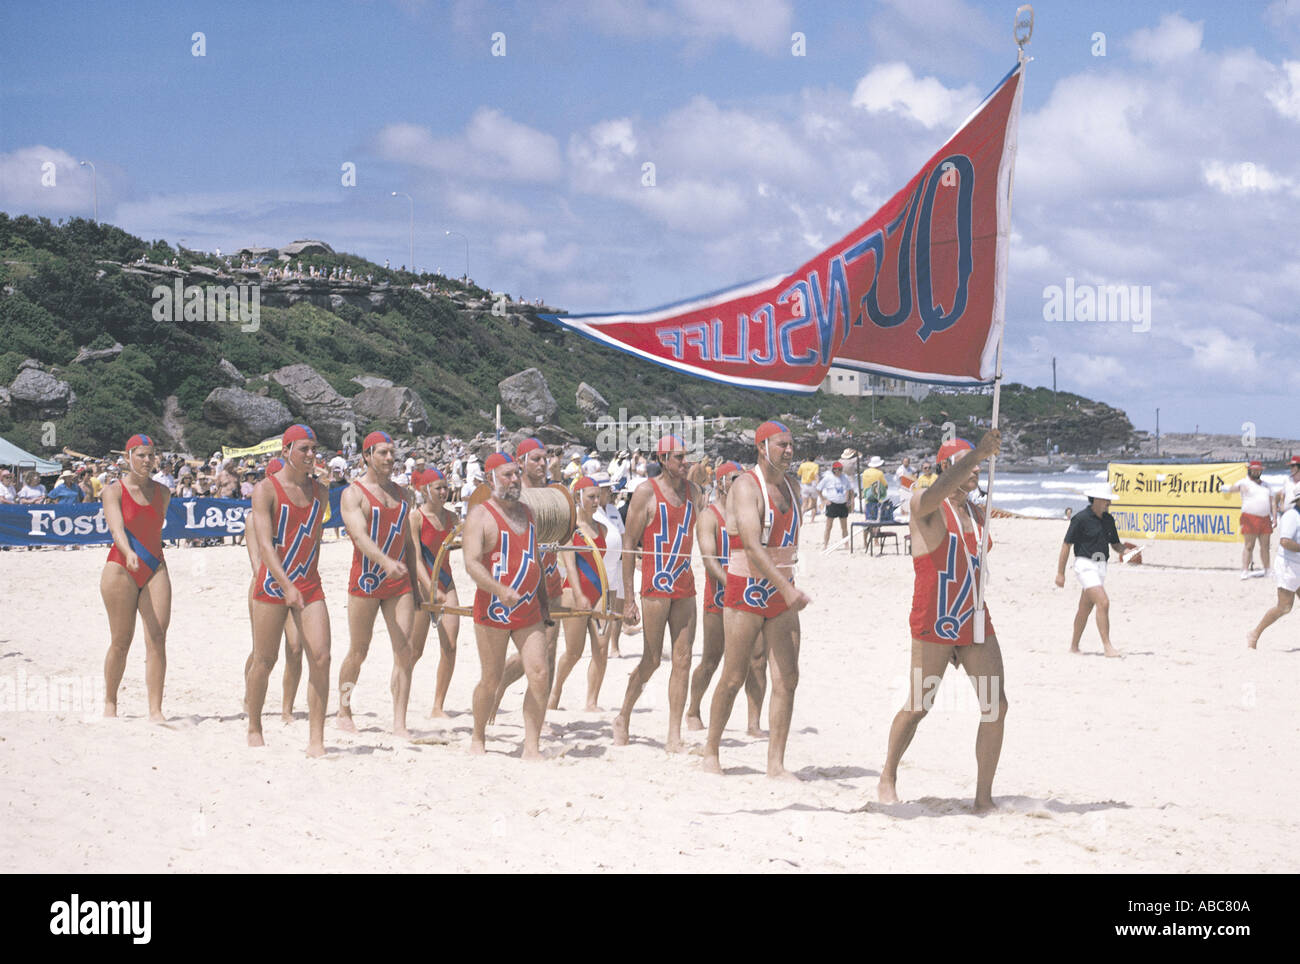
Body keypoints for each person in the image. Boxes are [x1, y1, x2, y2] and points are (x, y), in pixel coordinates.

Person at [878, 432, 1008, 812]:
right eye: (967, 463)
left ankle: (983, 797)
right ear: (946, 469)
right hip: (935, 617)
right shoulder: (926, 504)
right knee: (919, 705)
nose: (977, 470)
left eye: (979, 464)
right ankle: (888, 773)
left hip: (973, 617)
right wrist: (976, 453)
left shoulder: (976, 513)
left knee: (995, 706)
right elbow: (935, 494)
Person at [703, 426, 809, 777]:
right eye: (783, 444)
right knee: (733, 676)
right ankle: (711, 751)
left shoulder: (793, 488)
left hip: (781, 590)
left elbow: (787, 543)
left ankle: (775, 763)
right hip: (747, 588)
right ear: (763, 447)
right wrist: (788, 588)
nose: (789, 450)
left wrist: (788, 585)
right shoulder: (746, 486)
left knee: (787, 680)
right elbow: (751, 545)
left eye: (792, 444)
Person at [613, 434, 703, 752]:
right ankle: (623, 715)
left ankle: (674, 734)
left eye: (686, 456)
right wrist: (628, 598)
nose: (685, 462)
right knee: (651, 660)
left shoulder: (695, 492)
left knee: (682, 660)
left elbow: (709, 531)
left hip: (684, 583)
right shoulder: (645, 492)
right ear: (663, 459)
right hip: (654, 584)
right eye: (678, 457)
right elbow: (628, 545)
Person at [245, 426, 332, 756]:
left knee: (321, 657)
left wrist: (307, 582)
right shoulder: (265, 489)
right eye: (304, 449)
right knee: (265, 658)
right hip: (272, 583)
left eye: (314, 449)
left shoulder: (320, 491)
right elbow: (265, 545)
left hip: (309, 583)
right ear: (286, 451)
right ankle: (254, 724)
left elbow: (316, 540)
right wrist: (285, 585)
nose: (311, 455)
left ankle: (316, 738)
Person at [337, 431, 423, 738]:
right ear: (367, 456)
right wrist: (386, 562)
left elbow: (410, 545)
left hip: (399, 584)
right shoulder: (353, 494)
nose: (389, 458)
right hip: (367, 580)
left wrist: (416, 582)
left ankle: (399, 722)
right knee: (358, 651)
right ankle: (344, 708)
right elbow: (359, 537)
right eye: (383, 453)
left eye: (392, 452)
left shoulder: (404, 495)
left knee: (405, 651)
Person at [464, 453, 550, 760]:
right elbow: (471, 563)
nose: (514, 480)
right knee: (491, 678)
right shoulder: (479, 516)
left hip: (529, 611)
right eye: (506, 475)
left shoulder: (528, 513)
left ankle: (531, 746)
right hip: (492, 610)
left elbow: (535, 559)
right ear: (491, 479)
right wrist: (499, 589)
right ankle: (477, 735)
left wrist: (544, 603)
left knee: (539, 673)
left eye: (516, 474)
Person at [687, 460, 769, 738]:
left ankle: (754, 722)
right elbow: (709, 560)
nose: (740, 483)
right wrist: (732, 583)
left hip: (749, 594)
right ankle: (693, 709)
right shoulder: (710, 516)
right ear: (721, 482)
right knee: (711, 659)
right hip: (720, 595)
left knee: (758, 658)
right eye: (734, 478)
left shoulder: (749, 512)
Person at [495, 437, 569, 714]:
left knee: (549, 650)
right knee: (531, 649)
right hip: (521, 581)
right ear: (521, 461)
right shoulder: (516, 494)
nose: (542, 463)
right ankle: (498, 683)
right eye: (536, 459)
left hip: (550, 578)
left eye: (545, 458)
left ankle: (540, 716)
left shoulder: (550, 493)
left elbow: (566, 535)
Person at [100, 434, 171, 721]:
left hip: (155, 565)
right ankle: (110, 700)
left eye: (151, 455)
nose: (147, 460)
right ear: (128, 457)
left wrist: (143, 556)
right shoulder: (112, 491)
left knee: (157, 637)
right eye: (141, 455)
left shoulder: (163, 492)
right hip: (120, 566)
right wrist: (128, 551)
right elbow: (117, 528)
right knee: (121, 640)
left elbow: (156, 529)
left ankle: (155, 709)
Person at [242, 457, 304, 722]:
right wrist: (279, 584)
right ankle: (250, 697)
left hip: (295, 583)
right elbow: (258, 562)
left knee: (296, 647)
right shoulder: (253, 519)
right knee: (263, 652)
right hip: (265, 584)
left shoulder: (296, 510)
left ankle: (287, 707)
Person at [549, 477, 611, 711]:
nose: (596, 501)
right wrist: (578, 594)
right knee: (574, 651)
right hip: (573, 592)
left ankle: (592, 701)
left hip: (599, 591)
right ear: (578, 498)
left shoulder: (602, 528)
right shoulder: (570, 529)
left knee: (602, 648)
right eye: (591, 497)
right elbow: (570, 565)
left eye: (598, 496)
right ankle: (555, 691)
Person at [1054, 484, 1134, 657]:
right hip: (1084, 565)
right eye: (1107, 500)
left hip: (1101, 567)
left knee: (1085, 608)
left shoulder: (1108, 520)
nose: (1110, 503)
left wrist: (1127, 552)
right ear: (1097, 500)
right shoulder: (1080, 519)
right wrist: (1060, 573)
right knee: (1103, 602)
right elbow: (1066, 545)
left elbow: (1115, 544)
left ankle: (1074, 647)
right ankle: (1108, 647)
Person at [407, 466, 461, 718]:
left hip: (447, 584)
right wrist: (429, 588)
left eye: (445, 487)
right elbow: (416, 559)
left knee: (450, 647)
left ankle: (438, 706)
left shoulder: (453, 519)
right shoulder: (415, 518)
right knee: (414, 651)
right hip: (421, 588)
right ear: (425, 490)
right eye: (438, 487)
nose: (443, 491)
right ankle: (401, 697)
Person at [1248, 489, 1300, 649]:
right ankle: (1254, 633)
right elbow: (1285, 542)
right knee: (1284, 606)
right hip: (1288, 566)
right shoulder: (1292, 516)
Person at [593, 472, 627, 657]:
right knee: (600, 606)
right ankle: (600, 644)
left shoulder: (614, 510)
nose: (611, 492)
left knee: (615, 605)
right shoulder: (591, 511)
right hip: (598, 565)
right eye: (607, 489)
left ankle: (614, 645)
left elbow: (622, 534)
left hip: (616, 564)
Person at [1225, 461, 1275, 578]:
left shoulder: (1266, 485)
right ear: (1250, 470)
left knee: (1265, 546)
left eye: (1258, 470)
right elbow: (1231, 489)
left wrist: (1275, 517)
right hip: (1249, 517)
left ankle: (1267, 569)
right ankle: (1245, 570)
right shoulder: (1244, 482)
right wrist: (1237, 487)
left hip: (1265, 518)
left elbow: (1272, 502)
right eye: (1254, 470)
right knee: (1249, 545)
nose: (1256, 472)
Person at [816, 460, 854, 549]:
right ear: (834, 470)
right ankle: (825, 545)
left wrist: (849, 500)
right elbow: (818, 489)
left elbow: (849, 489)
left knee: (844, 527)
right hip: (832, 504)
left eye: (841, 469)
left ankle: (846, 544)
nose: (841, 471)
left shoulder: (845, 477)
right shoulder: (828, 478)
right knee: (829, 526)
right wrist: (823, 500)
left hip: (843, 504)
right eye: (839, 469)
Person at [861, 456, 888, 520]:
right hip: (877, 498)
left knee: (869, 517)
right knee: (877, 518)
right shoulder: (879, 473)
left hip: (867, 497)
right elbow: (885, 486)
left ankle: (869, 529)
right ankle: (876, 529)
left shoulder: (865, 472)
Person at [797, 456, 820, 521]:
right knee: (814, 504)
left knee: (804, 504)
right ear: (814, 459)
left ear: (807, 459)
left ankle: (801, 518)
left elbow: (798, 474)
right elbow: (816, 475)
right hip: (812, 484)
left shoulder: (802, 465)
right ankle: (812, 520)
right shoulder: (815, 465)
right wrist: (818, 484)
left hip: (804, 485)